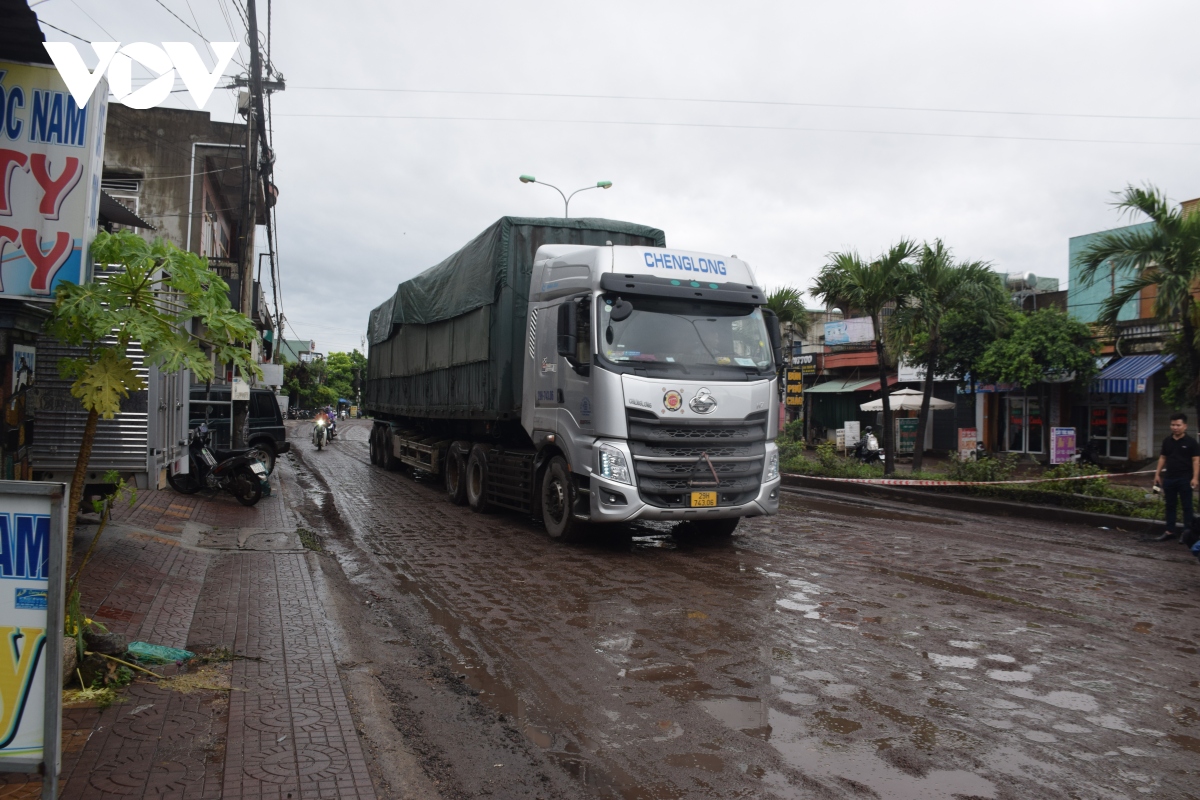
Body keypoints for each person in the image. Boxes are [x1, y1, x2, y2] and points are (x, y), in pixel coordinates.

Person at [1153, 412, 1200, 543]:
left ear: (1185, 426)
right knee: (1170, 505)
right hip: (1169, 478)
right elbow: (1163, 457)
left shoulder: (1191, 442)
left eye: (1178, 425)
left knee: (1187, 506)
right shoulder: (1167, 441)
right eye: (1173, 425)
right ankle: (1169, 531)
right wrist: (1157, 474)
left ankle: (1187, 533)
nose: (1175, 427)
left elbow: (1196, 460)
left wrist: (1195, 478)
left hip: (1185, 479)